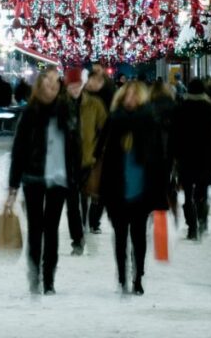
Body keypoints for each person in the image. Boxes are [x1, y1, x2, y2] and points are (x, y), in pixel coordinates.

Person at [7, 66, 80, 295]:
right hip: (34, 177)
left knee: (52, 230)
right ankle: (34, 276)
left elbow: (75, 144)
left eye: (55, 82)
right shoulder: (29, 113)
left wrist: (75, 174)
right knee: (36, 230)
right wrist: (13, 185)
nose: (52, 85)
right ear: (40, 85)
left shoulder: (65, 109)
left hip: (59, 178)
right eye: (48, 81)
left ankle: (49, 279)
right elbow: (19, 150)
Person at [96, 81, 168, 296]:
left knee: (138, 236)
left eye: (135, 96)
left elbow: (160, 158)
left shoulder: (150, 122)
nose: (130, 100)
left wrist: (161, 190)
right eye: (127, 96)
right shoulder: (113, 121)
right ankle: (122, 276)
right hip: (116, 188)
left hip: (141, 189)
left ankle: (138, 277)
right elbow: (101, 154)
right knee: (120, 236)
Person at [173, 79, 211, 240]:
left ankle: (192, 227)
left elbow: (175, 135)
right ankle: (202, 219)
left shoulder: (181, 109)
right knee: (202, 191)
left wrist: (174, 156)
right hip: (205, 158)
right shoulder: (210, 109)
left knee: (188, 193)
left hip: (186, 157)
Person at [80, 68, 110, 234]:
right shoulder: (79, 98)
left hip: (98, 150)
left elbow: (105, 126)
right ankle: (84, 220)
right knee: (83, 190)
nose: (96, 83)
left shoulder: (106, 96)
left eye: (100, 81)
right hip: (82, 150)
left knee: (98, 189)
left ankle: (93, 221)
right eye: (93, 80)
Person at [62, 68, 87, 255]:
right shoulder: (61, 104)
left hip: (81, 159)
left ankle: (78, 238)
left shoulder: (88, 103)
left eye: (78, 85)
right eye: (73, 85)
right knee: (70, 204)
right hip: (63, 160)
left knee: (75, 203)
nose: (76, 89)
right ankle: (77, 239)